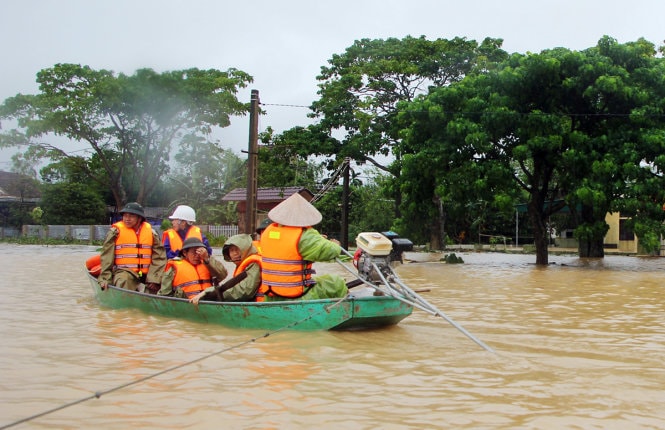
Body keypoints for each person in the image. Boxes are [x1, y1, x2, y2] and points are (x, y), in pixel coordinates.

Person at [258, 193, 348, 301]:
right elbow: (330, 251)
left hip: (271, 295)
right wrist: (336, 245)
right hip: (297, 297)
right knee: (335, 282)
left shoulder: (268, 232)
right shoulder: (304, 235)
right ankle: (338, 313)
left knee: (315, 280)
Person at [98, 202, 166, 292]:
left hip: (146, 274)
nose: (127, 219)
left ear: (139, 218)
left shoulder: (152, 233)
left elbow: (159, 257)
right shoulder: (115, 232)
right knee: (123, 280)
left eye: (131, 216)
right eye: (125, 216)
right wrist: (105, 278)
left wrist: (155, 279)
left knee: (160, 286)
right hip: (123, 272)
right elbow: (107, 256)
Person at [190, 233, 262, 304]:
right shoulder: (244, 264)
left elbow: (244, 291)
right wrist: (210, 292)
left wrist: (215, 294)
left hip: (260, 307)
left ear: (245, 249)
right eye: (231, 250)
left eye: (237, 249)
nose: (234, 253)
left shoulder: (254, 264)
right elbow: (230, 284)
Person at [157, 237, 228, 299]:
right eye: (194, 252)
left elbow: (223, 275)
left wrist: (207, 259)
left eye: (199, 252)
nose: (197, 256)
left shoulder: (207, 264)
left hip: (207, 301)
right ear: (185, 253)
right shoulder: (173, 267)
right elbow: (165, 293)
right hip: (186, 304)